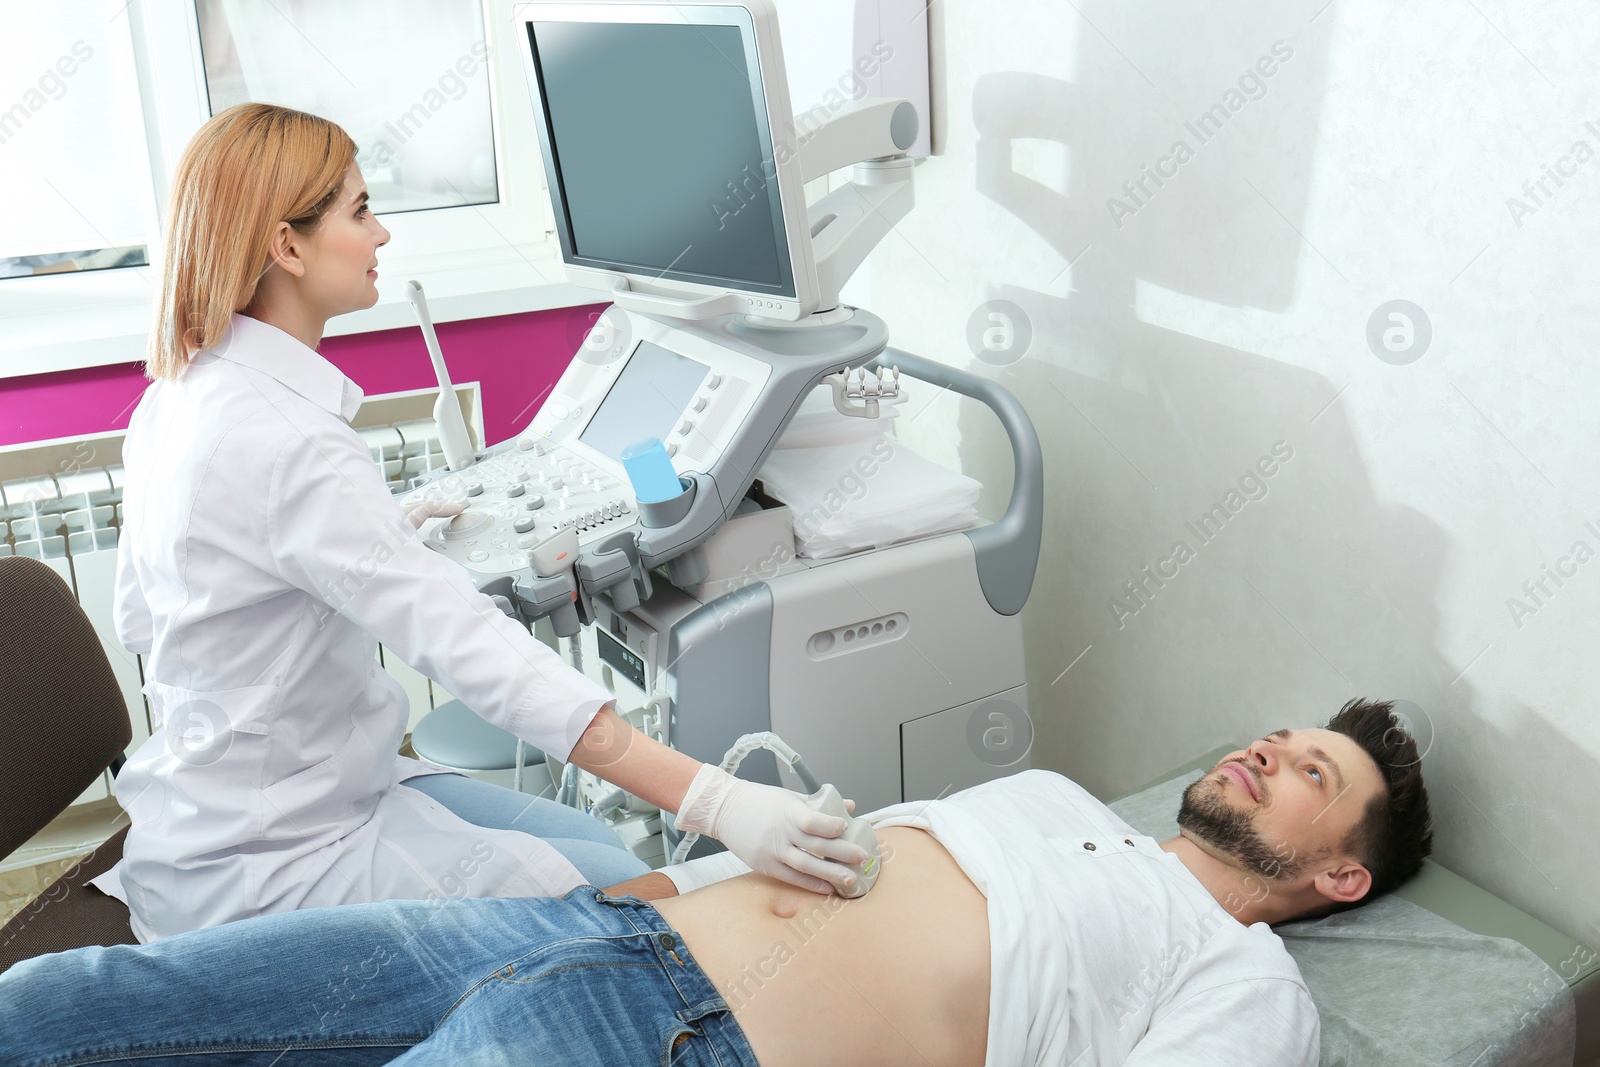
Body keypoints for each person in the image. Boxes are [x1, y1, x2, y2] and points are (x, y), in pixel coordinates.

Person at [92, 102, 867, 944]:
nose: (381, 234)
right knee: (615, 915)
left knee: (594, 842)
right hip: (277, 856)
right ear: (286, 247)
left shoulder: (176, 398)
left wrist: (361, 545)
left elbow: (152, 609)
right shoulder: (292, 445)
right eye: (359, 212)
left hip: (213, 807)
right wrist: (720, 801)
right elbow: (478, 655)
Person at [2, 698, 1433, 1065]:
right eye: (1277, 734)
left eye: (1311, 769)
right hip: (579, 930)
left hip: (679, 1037)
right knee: (98, 999)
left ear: (1345, 871)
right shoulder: (1055, 792)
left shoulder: (1243, 979)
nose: (1268, 751)